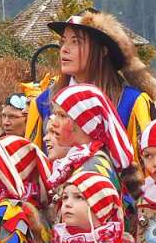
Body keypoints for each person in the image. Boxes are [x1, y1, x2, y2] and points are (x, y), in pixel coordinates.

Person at [27, 9, 156, 154]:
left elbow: (146, 167)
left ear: (103, 50)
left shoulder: (131, 103)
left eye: (76, 42)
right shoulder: (43, 104)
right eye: (63, 42)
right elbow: (31, 167)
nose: (64, 49)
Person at [46, 83, 139, 217]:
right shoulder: (81, 159)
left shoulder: (92, 167)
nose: (54, 122)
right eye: (55, 114)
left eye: (62, 115)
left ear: (86, 122)